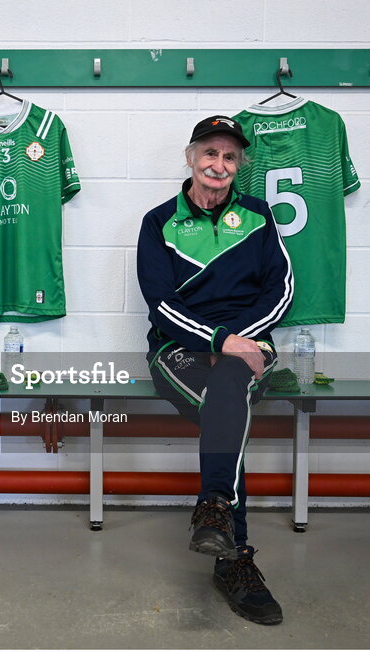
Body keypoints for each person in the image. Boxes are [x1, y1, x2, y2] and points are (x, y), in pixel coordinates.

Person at [136, 115, 293, 626]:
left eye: (229, 157)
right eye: (210, 154)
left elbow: (282, 290)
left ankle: (215, 511)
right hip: (176, 351)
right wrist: (220, 339)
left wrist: (241, 343)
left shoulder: (259, 215)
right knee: (232, 407)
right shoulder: (158, 222)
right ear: (190, 158)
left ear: (238, 165)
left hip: (246, 353)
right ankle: (234, 555)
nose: (218, 165)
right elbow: (160, 305)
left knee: (230, 387)